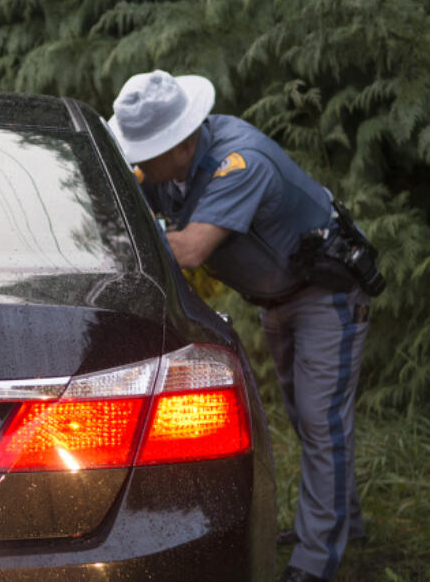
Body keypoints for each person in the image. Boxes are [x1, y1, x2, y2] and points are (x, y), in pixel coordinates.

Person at [108, 70, 378, 582]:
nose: (137, 164)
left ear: (182, 144)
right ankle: (345, 522)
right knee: (309, 418)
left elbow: (189, 250)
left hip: (327, 297)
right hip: (278, 298)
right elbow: (143, 189)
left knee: (321, 423)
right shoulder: (172, 168)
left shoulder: (240, 164)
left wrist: (129, 226)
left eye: (146, 152)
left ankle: (315, 560)